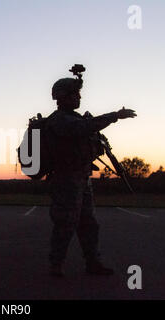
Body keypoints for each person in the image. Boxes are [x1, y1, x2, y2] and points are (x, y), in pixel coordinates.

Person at [46, 66, 137, 277]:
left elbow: (86, 132)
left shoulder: (75, 117)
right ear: (63, 97)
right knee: (65, 224)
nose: (78, 97)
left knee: (89, 224)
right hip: (66, 180)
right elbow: (83, 128)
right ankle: (56, 265)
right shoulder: (59, 120)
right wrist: (114, 116)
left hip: (81, 178)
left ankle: (92, 263)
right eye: (74, 94)